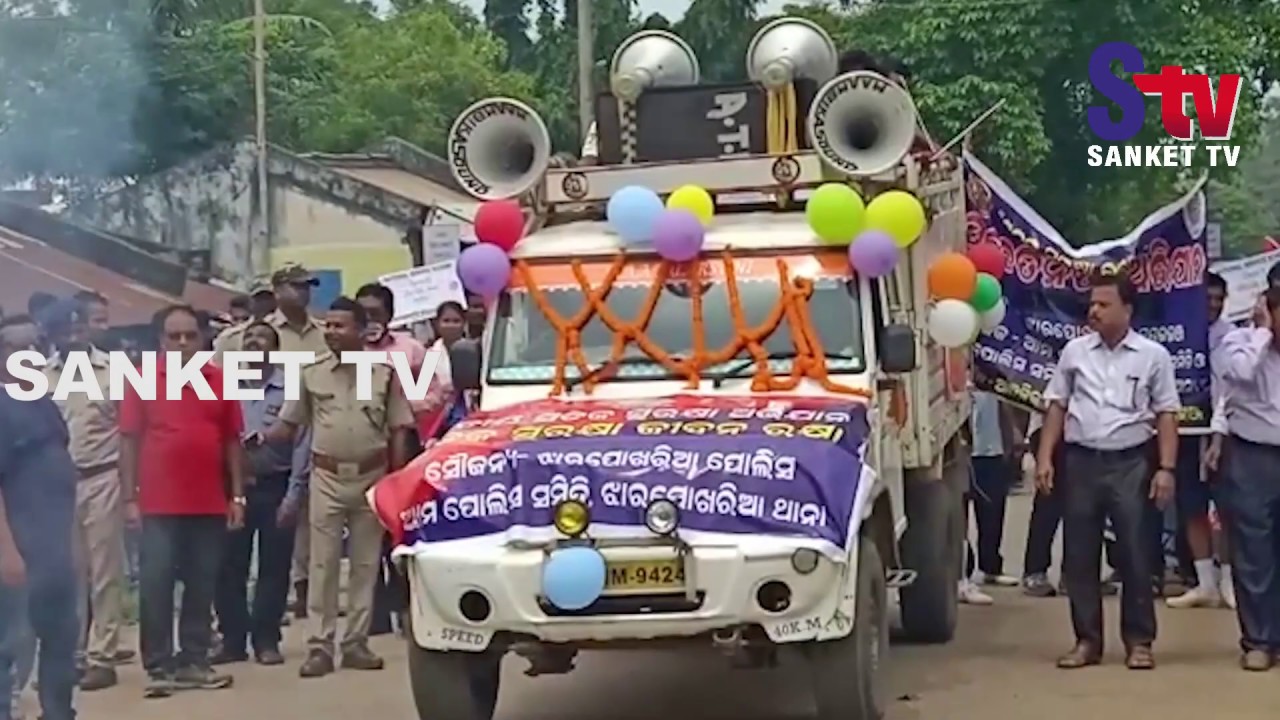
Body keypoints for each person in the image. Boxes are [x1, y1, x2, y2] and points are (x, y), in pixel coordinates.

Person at [261, 297, 414, 677]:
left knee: (364, 564)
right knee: (322, 564)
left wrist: (395, 480)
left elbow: (399, 428)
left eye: (340, 325)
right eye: (328, 325)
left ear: (361, 331)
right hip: (326, 478)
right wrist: (251, 440)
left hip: (371, 477)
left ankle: (355, 643)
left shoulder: (381, 374)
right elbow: (288, 427)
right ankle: (319, 646)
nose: (331, 332)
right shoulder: (311, 374)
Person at [1036, 270, 1180, 670]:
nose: (1094, 311)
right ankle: (1086, 642)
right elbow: (1057, 406)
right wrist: (1046, 457)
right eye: (1092, 304)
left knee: (1135, 552)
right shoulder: (1075, 352)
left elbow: (1167, 414)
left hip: (1132, 461)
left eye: (1104, 304)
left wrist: (1165, 468)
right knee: (1079, 555)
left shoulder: (1153, 356)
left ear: (1127, 309)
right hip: (1081, 461)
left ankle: (1139, 641)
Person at [120, 304, 246, 697]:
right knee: (155, 585)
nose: (183, 343)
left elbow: (232, 442)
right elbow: (129, 441)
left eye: (190, 335)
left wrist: (237, 495)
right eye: (174, 336)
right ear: (161, 341)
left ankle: (194, 661)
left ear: (203, 339)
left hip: (208, 503)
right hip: (156, 505)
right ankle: (159, 667)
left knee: (201, 584)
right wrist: (129, 498)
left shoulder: (220, 380)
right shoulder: (142, 379)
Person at [216, 264, 327, 621]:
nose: (305, 292)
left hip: (303, 455)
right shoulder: (234, 340)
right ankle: (233, 635)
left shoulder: (324, 335)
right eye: (297, 286)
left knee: (289, 552)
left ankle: (278, 623)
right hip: (238, 474)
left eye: (308, 287)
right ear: (278, 290)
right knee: (232, 559)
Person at [213, 322, 312, 666]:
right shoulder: (223, 384)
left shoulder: (291, 387)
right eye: (249, 338)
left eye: (263, 339)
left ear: (275, 348)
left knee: (274, 567)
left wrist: (294, 493)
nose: (255, 343)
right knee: (228, 566)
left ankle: (267, 639)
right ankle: (232, 639)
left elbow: (302, 443)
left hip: (275, 484)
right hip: (232, 487)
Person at [41, 296, 127, 691]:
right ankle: (71, 654)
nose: (72, 334)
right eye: (65, 329)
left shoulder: (116, 372)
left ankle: (102, 657)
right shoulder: (40, 376)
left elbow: (129, 435)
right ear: (53, 333)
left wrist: (131, 491)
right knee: (67, 574)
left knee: (105, 573)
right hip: (56, 486)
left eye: (79, 327)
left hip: (104, 478)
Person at [0, 314, 80, 720]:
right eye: (17, 347)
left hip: (54, 545)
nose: (29, 354)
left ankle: (58, 713)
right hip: (19, 547)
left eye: (35, 346)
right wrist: (7, 552)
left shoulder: (41, 400)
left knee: (60, 635)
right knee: (10, 645)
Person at [1214, 288, 1280, 670]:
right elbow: (1237, 373)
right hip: (1252, 456)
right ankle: (1258, 640)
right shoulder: (1237, 341)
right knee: (1254, 553)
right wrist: (1263, 333)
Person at [1167, 271, 1234, 609]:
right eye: (1207, 299)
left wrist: (1219, 437)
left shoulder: (1231, 337)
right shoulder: (1177, 334)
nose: (1214, 305)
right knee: (1191, 506)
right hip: (1185, 432)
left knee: (1228, 509)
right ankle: (1205, 581)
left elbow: (1230, 389)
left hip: (1222, 433)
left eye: (1219, 300)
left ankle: (1231, 580)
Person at [964, 386, 1021, 604]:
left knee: (993, 511)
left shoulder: (991, 371)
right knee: (960, 515)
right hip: (965, 451)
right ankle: (964, 573)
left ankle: (991, 567)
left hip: (992, 449)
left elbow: (1004, 402)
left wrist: (1013, 433)